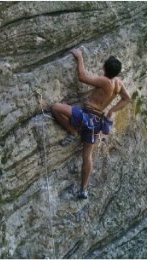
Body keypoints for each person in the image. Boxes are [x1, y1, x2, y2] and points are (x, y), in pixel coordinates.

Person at [50, 48, 131, 199]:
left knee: (55, 108)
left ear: (105, 68)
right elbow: (127, 99)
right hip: (97, 123)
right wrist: (111, 111)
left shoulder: (104, 81)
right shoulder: (118, 83)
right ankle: (83, 190)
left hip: (86, 116)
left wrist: (79, 57)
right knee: (87, 156)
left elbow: (82, 76)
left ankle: (73, 132)